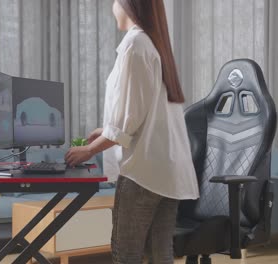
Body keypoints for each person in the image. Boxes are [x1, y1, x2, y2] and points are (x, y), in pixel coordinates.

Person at [65, 0, 199, 263]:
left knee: (126, 253)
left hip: (143, 173)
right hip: (168, 172)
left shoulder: (135, 45)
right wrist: (107, 130)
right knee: (160, 253)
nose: (112, 6)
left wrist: (89, 150)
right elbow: (145, 111)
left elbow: (128, 122)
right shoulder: (153, 43)